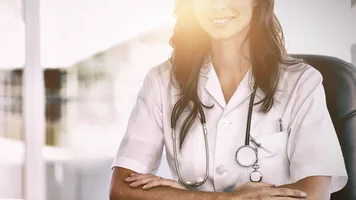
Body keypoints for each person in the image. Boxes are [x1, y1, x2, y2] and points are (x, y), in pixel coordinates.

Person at [109, 0, 348, 199]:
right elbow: (121, 189)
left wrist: (183, 196)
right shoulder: (161, 80)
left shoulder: (300, 82)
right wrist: (225, 198)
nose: (217, 5)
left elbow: (314, 194)